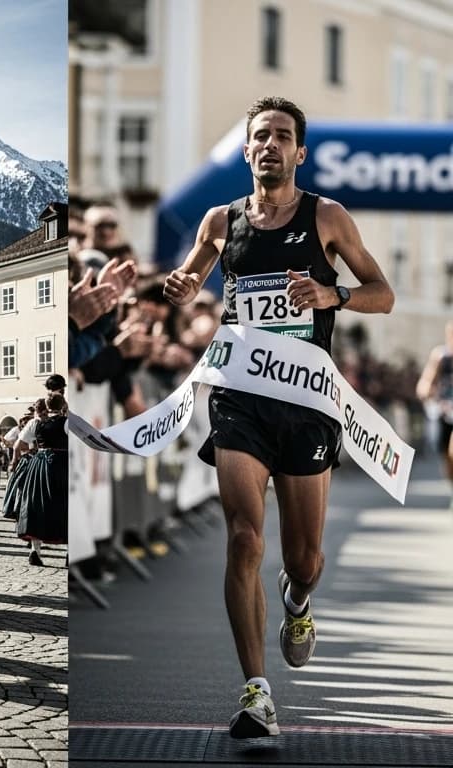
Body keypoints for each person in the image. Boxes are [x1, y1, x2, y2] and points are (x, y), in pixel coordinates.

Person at [163, 96, 394, 738]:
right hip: (239, 397)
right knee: (243, 537)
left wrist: (333, 293)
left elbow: (383, 293)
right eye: (259, 135)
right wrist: (179, 290)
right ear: (245, 151)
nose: (270, 144)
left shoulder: (327, 217)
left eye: (282, 135)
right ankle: (256, 693)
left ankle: (297, 601)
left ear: (300, 152)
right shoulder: (219, 219)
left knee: (305, 558)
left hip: (305, 401)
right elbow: (186, 284)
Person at [13, 393, 68, 565]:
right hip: (61, 465)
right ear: (63, 405)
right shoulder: (67, 422)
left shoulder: (35, 422)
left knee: (37, 505)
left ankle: (35, 551)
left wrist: (18, 460)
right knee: (65, 505)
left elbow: (19, 445)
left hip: (39, 465)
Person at [415, 320, 453, 503]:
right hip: (444, 410)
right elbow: (426, 382)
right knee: (445, 452)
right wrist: (426, 390)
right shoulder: (441, 356)